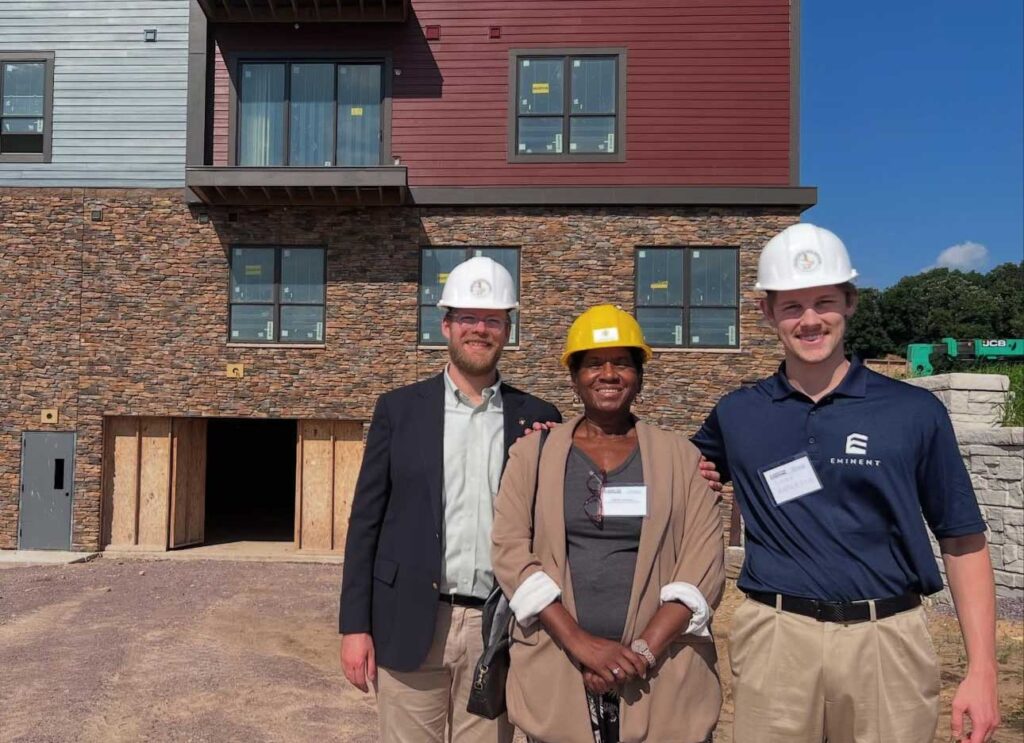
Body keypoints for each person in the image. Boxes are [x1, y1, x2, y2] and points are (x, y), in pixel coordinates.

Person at [692, 223, 1001, 743]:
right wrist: (555, 435)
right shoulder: (737, 414)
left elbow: (963, 540)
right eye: (792, 306)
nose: (810, 320)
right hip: (776, 641)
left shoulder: (913, 411)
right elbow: (669, 470)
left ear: (851, 302)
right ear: (767, 311)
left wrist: (983, 671)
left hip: (888, 641)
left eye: (824, 302)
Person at [338, 256, 561, 743]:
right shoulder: (398, 410)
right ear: (446, 325)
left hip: (498, 629)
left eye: (492, 320)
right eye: (468, 318)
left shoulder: (539, 419)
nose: (480, 329)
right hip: (410, 621)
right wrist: (354, 627)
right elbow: (365, 524)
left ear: (507, 330)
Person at [491, 305, 725, 743]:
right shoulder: (532, 455)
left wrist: (640, 653)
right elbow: (510, 552)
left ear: (640, 375)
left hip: (662, 673)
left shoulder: (681, 458)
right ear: (574, 376)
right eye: (594, 363)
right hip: (557, 666)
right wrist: (582, 644)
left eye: (622, 363)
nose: (609, 374)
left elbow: (703, 564)